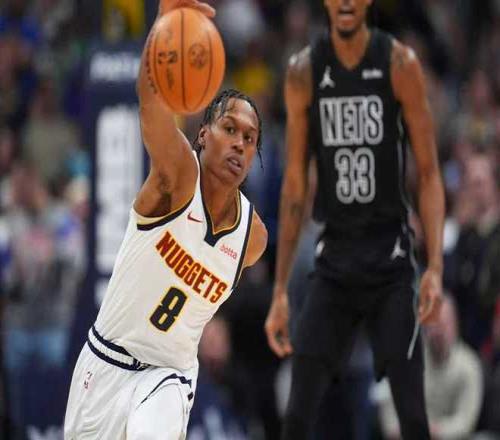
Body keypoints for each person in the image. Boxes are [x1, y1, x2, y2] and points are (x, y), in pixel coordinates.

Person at [64, 1, 268, 438]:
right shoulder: (177, 176)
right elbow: (149, 103)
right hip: (106, 362)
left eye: (249, 139)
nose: (238, 144)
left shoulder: (252, 240)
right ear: (202, 135)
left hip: (169, 376)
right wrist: (164, 26)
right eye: (229, 129)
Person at [265, 0, 444, 439]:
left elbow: (428, 173)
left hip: (390, 261)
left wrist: (435, 267)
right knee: (296, 416)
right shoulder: (304, 71)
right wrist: (280, 289)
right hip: (335, 260)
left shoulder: (399, 63)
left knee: (413, 417)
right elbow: (294, 185)